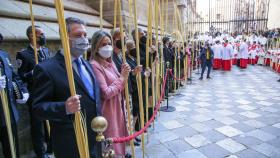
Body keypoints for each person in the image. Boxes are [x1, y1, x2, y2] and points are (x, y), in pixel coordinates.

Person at [32, 17, 100, 158]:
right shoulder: (47, 69)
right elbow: (38, 108)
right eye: (77, 35)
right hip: (70, 143)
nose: (83, 39)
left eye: (85, 35)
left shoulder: (87, 64)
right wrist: (65, 107)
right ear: (64, 37)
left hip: (95, 138)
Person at [90, 30, 131, 158]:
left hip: (118, 108)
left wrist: (126, 73)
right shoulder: (95, 65)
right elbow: (106, 93)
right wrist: (122, 78)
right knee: (110, 144)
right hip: (108, 111)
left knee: (119, 139)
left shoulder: (111, 62)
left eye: (109, 43)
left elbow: (120, 83)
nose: (107, 47)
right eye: (103, 44)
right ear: (96, 48)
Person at [16, 25, 51, 158]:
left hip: (49, 92)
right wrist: (32, 72)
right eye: (40, 34)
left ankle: (50, 148)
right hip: (35, 94)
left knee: (50, 121)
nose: (43, 36)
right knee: (37, 126)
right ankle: (40, 153)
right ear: (31, 36)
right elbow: (20, 76)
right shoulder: (23, 54)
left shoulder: (46, 51)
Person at [0, 33, 29, 158]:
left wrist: (23, 90)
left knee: (12, 149)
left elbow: (14, 76)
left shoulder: (3, 55)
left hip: (8, 112)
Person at [125, 40, 143, 146]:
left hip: (137, 87)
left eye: (134, 45)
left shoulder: (134, 58)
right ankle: (131, 136)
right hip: (132, 88)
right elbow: (129, 75)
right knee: (132, 113)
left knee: (136, 112)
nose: (134, 48)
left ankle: (134, 134)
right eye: (131, 46)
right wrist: (133, 72)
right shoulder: (126, 59)